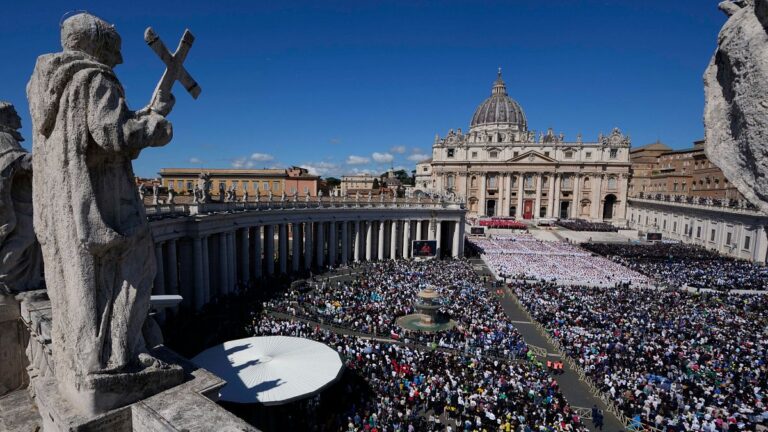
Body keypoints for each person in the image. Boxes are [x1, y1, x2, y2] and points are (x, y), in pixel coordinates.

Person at [27, 12, 175, 391]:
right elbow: (114, 134)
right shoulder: (95, 78)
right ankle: (117, 360)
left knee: (82, 286)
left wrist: (149, 110)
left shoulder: (50, 85)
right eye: (115, 49)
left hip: (66, 208)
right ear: (97, 45)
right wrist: (157, 127)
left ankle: (89, 359)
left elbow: (97, 135)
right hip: (105, 208)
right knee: (136, 268)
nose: (120, 59)